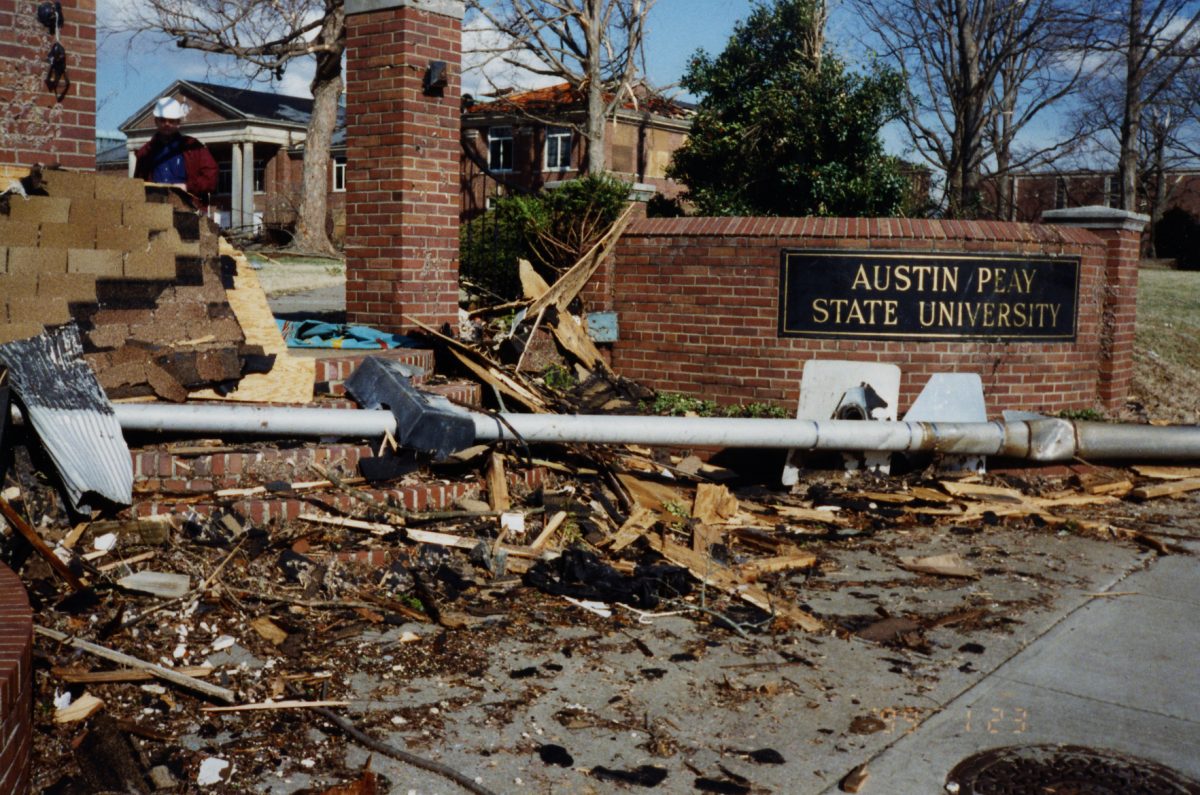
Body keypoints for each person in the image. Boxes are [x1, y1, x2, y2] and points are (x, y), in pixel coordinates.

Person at [133, 97, 218, 203]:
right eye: (163, 120)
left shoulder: (194, 148)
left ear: (178, 123)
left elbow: (211, 178)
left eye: (171, 121)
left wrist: (187, 187)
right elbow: (137, 186)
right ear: (156, 121)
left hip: (187, 206)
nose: (167, 124)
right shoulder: (145, 152)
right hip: (155, 208)